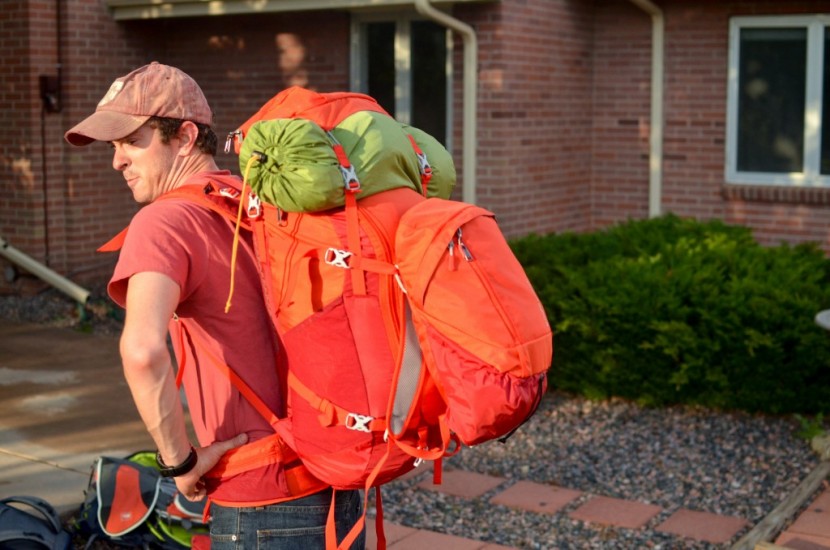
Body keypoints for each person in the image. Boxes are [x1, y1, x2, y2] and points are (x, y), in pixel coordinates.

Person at [64, 62, 364, 549]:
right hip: (336, 478)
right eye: (113, 146)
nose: (117, 161)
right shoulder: (263, 202)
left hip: (261, 501)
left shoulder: (163, 223)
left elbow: (142, 351)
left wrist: (179, 462)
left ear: (184, 137)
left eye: (131, 141)